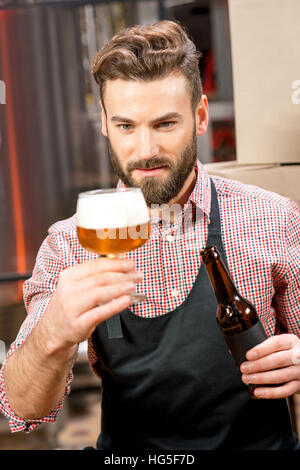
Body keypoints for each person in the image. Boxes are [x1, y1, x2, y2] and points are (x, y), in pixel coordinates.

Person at [1, 20, 300, 450]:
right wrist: (54, 332)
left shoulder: (272, 218)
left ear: (199, 116)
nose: (144, 150)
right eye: (126, 126)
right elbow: (22, 410)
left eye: (164, 124)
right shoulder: (70, 244)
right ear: (104, 122)